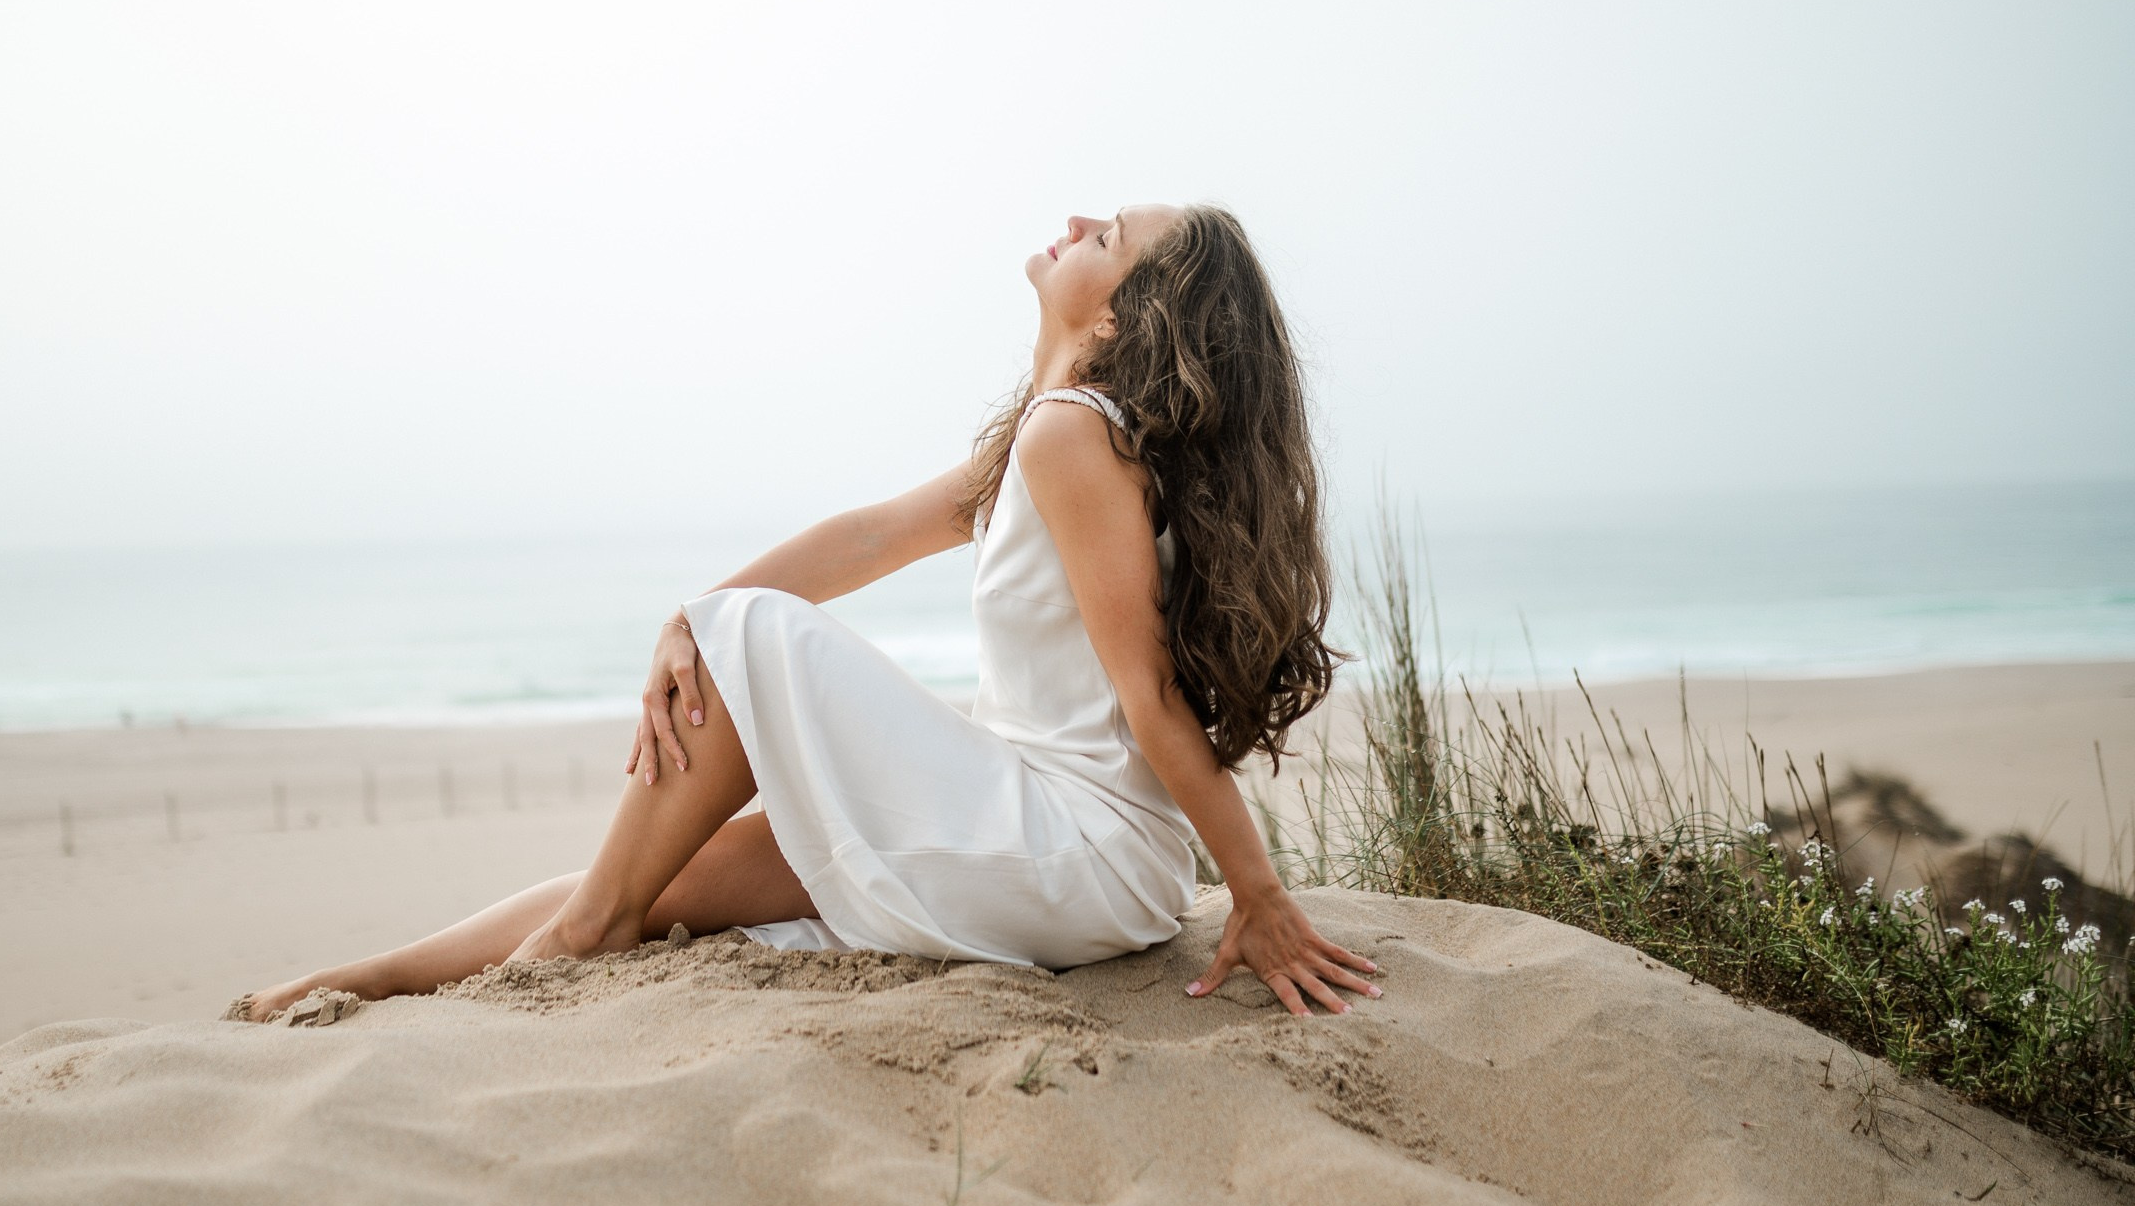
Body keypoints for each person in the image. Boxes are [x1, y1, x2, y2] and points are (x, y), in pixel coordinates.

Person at [232, 204, 1380, 1021]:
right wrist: (697, 607)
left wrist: (1259, 893)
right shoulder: (1048, 432)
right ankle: (371, 977)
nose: (1078, 216)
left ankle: (572, 939)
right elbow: (873, 535)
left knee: (753, 642)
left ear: (1125, 318)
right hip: (1047, 838)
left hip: (1071, 847)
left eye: (1108, 236)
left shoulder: (1073, 431)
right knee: (668, 879)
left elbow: (1149, 697)